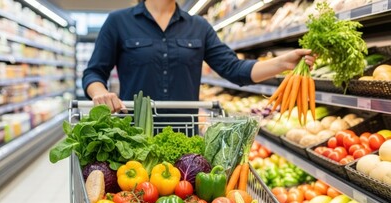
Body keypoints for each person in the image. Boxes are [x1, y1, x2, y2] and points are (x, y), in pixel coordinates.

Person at [83, 0, 316, 113]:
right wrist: (100, 93)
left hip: (186, 136)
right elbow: (94, 72)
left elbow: (234, 70)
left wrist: (284, 62)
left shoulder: (199, 27)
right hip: (134, 135)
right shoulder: (118, 22)